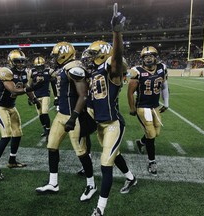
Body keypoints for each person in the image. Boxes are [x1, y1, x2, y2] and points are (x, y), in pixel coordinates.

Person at [81, 5, 137, 216]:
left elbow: (117, 58)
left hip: (113, 123)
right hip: (100, 124)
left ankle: (100, 209)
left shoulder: (111, 70)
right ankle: (131, 177)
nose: (89, 57)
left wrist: (117, 33)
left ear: (104, 55)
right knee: (115, 154)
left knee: (106, 163)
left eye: (93, 54)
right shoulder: (95, 72)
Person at [35, 42, 97, 202]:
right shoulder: (66, 68)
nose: (54, 58)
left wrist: (74, 117)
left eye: (56, 55)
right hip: (61, 115)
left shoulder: (74, 68)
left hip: (72, 116)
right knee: (52, 146)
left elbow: (83, 95)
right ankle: (53, 183)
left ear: (64, 54)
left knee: (81, 152)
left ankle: (92, 184)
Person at [0, 49, 40, 180]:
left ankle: (12, 161)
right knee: (6, 136)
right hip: (0, 107)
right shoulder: (5, 71)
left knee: (17, 133)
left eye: (22, 61)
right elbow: (13, 89)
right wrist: (32, 87)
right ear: (11, 61)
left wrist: (34, 99)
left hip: (11, 107)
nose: (20, 64)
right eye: (17, 61)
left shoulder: (24, 73)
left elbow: (25, 86)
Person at [127, 46, 169, 176]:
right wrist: (132, 108)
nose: (148, 58)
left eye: (151, 56)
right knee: (151, 135)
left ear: (156, 57)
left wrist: (166, 103)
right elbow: (130, 92)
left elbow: (165, 86)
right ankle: (152, 162)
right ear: (142, 59)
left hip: (155, 106)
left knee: (156, 133)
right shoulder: (137, 71)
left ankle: (140, 142)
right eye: (146, 56)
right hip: (142, 107)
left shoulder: (162, 68)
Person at [28, 56, 57, 142]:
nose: (39, 68)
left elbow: (54, 85)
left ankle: (48, 131)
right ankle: (45, 129)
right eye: (38, 67)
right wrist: (30, 97)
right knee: (40, 114)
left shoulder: (49, 71)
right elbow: (29, 85)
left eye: (41, 66)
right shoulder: (32, 72)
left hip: (45, 95)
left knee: (44, 112)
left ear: (44, 65)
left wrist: (56, 97)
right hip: (36, 96)